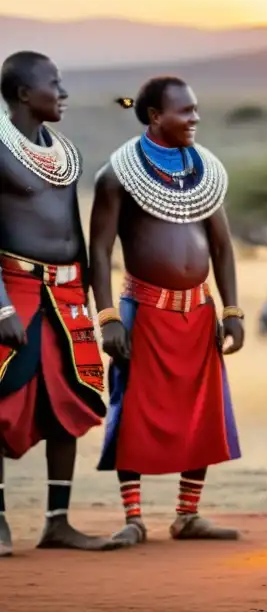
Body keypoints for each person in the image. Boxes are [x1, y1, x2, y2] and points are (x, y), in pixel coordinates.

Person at [90, 77, 244, 546]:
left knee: (200, 411)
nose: (195, 118)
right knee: (131, 409)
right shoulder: (117, 175)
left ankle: (188, 515)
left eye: (196, 110)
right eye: (185, 111)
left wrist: (232, 310)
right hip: (144, 310)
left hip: (198, 312)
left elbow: (222, 247)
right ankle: (134, 518)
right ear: (156, 116)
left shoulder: (207, 173)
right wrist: (108, 316)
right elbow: (99, 250)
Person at [0, 52, 123, 555]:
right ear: (26, 94)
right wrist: (1, 308)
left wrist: (105, 310)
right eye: (55, 84)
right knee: (4, 399)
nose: (64, 92)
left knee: (68, 403)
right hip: (17, 289)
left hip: (67, 292)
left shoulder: (63, 152)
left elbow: (81, 237)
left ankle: (58, 522)